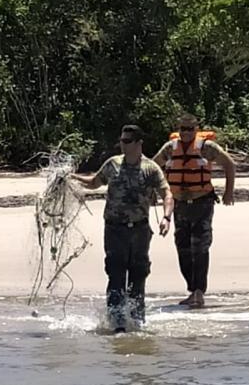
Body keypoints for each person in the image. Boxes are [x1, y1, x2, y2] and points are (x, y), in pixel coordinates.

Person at [72, 125, 174, 332]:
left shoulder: (150, 168)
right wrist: (72, 178)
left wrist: (166, 217)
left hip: (139, 231)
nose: (122, 144)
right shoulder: (113, 164)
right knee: (116, 275)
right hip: (114, 230)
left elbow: (167, 194)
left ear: (138, 143)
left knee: (138, 275)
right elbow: (94, 183)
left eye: (127, 141)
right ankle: (117, 323)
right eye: (121, 141)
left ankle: (136, 323)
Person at [153, 113, 235, 308]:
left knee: (200, 247)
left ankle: (199, 292)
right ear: (178, 129)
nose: (187, 132)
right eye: (183, 129)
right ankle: (192, 290)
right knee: (183, 247)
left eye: (190, 129)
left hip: (202, 203)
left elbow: (229, 165)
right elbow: (153, 167)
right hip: (179, 205)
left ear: (196, 129)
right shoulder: (170, 148)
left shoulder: (207, 147)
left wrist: (228, 193)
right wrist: (154, 191)